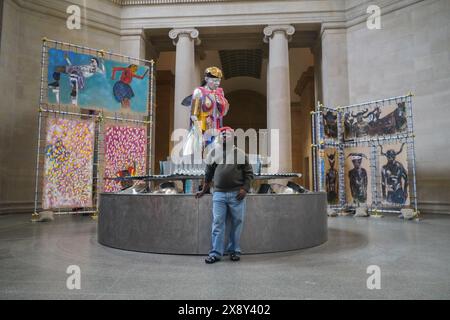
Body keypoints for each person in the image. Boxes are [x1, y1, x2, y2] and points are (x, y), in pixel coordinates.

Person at [196, 127, 254, 264]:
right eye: (222, 134)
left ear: (232, 136)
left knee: (237, 223)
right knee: (217, 223)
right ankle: (215, 253)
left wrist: (245, 189)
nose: (224, 136)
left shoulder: (240, 154)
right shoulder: (214, 153)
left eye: (227, 134)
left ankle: (234, 251)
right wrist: (204, 190)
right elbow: (208, 173)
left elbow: (249, 174)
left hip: (237, 195)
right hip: (219, 194)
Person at [182, 67, 230, 157]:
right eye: (214, 81)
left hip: (215, 126)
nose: (217, 83)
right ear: (206, 79)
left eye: (218, 81)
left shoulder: (219, 93)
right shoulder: (199, 92)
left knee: (216, 152)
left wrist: (221, 103)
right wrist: (198, 130)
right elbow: (193, 114)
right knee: (197, 150)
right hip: (201, 126)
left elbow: (223, 113)